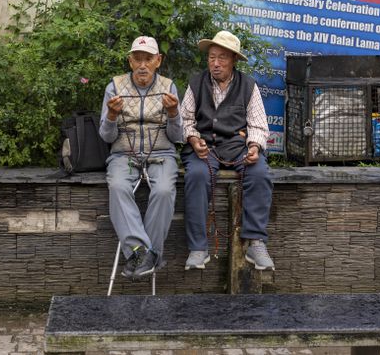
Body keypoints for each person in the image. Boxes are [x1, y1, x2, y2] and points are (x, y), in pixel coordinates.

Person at [180, 30, 274, 271]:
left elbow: (258, 125)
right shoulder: (196, 83)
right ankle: (198, 248)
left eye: (222, 57)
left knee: (260, 173)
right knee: (197, 176)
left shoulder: (248, 86)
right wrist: (192, 139)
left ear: (233, 59)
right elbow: (185, 120)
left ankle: (256, 242)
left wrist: (253, 146)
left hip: (237, 146)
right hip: (204, 148)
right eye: (211, 57)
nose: (216, 63)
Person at [99, 36, 182, 280]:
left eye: (148, 59)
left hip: (162, 153)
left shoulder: (169, 87)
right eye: (137, 59)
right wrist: (112, 116)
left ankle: (144, 256)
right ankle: (142, 252)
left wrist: (174, 113)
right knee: (117, 186)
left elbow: (177, 136)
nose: (142, 65)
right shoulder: (114, 86)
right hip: (124, 153)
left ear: (159, 61)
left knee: (165, 190)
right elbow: (106, 136)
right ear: (130, 61)